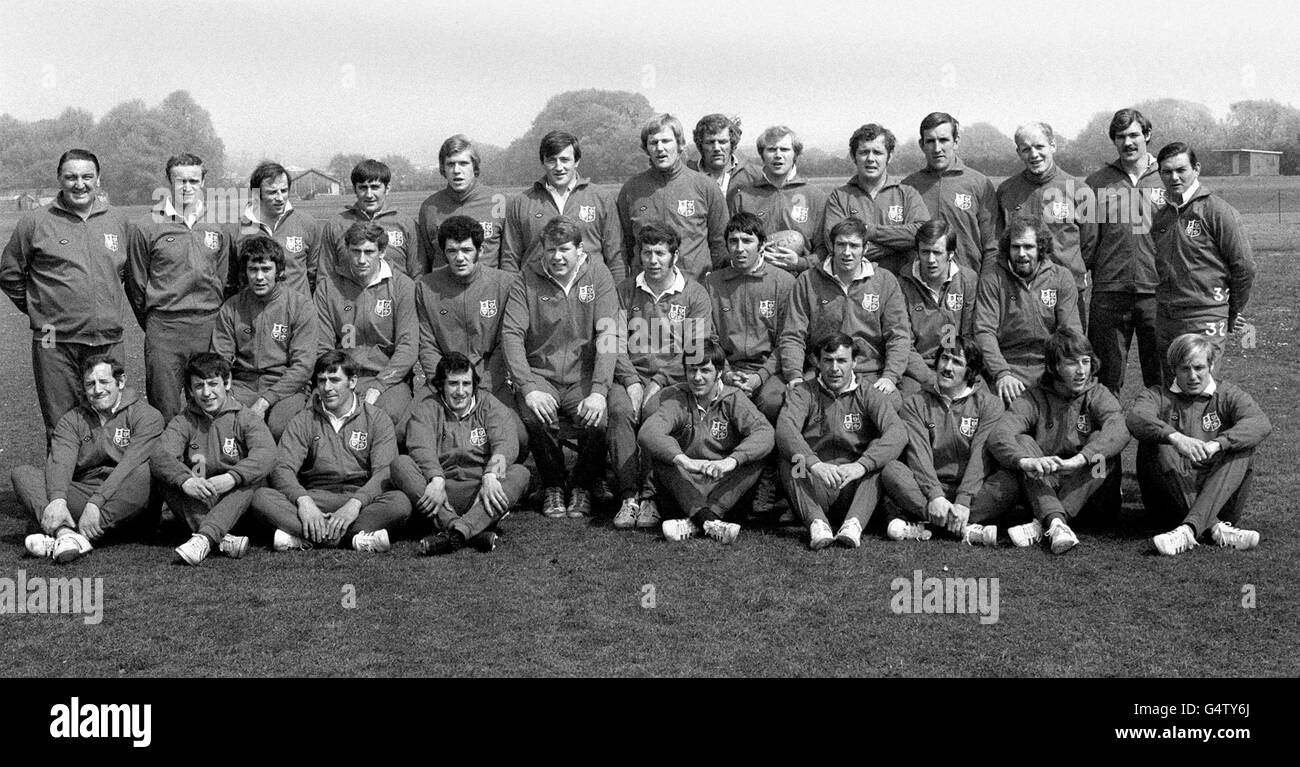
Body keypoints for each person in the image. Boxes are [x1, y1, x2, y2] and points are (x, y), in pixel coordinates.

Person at [500, 216, 637, 519]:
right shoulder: (527, 278)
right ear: (542, 250)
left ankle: (583, 485)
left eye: (564, 249)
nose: (557, 257)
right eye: (550, 250)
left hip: (584, 375)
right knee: (534, 415)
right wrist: (529, 387)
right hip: (541, 375)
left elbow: (608, 333)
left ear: (580, 249)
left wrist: (600, 390)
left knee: (596, 419)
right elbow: (512, 334)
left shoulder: (598, 274)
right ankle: (553, 484)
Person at [1, 149, 133, 440]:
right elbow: (9, 274)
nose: (79, 184)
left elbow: (128, 275)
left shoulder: (118, 221)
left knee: (109, 420)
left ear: (98, 179)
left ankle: (107, 485)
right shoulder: (35, 221)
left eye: (87, 177)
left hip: (107, 340)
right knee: (62, 424)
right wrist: (40, 308)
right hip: (54, 341)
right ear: (59, 179)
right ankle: (63, 486)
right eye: (71, 177)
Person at [987, 329, 1129, 555]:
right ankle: (1055, 524)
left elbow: (1119, 429)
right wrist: (1025, 462)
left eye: (1086, 362)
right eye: (1072, 363)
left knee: (1103, 451)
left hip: (1092, 493)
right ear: (1054, 367)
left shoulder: (1098, 393)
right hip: (1048, 484)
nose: (1082, 371)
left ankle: (1047, 520)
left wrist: (1080, 459)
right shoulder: (1034, 396)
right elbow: (1000, 434)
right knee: (1022, 442)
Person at [251, 351, 410, 552]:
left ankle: (305, 537)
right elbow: (282, 468)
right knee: (261, 497)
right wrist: (305, 503)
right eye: (321, 381)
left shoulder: (377, 419)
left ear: (352, 382)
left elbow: (384, 472)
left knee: (400, 503)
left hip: (358, 499)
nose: (327, 388)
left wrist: (354, 505)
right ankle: (353, 540)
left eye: (334, 380)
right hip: (316, 498)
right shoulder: (304, 419)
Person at [1127, 334, 1271, 555]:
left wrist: (1218, 444)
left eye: (1199, 367)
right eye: (1185, 369)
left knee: (1243, 448)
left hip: (1221, 499)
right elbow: (1136, 418)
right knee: (1155, 441)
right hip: (1168, 504)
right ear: (1173, 369)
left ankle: (1188, 529)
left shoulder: (1227, 394)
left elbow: (1259, 423)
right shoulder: (1157, 395)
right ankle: (1214, 528)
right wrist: (1175, 438)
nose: (1193, 376)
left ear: (1211, 366)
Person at [15, 355, 163, 563]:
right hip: (85, 495)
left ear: (120, 382)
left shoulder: (146, 415)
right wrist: (58, 500)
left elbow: (129, 466)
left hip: (126, 500)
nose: (97, 390)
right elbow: (60, 462)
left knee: (148, 471)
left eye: (104, 382)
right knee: (23, 475)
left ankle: (72, 535)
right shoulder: (73, 419)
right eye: (90, 384)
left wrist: (96, 503)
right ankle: (66, 535)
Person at [613, 223, 714, 528]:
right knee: (619, 412)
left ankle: (651, 497)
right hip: (629, 375)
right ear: (638, 255)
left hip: (674, 380)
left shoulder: (694, 293)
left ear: (675, 255)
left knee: (653, 412)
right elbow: (611, 343)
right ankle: (628, 498)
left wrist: (659, 381)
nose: (653, 260)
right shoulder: (624, 290)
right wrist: (631, 381)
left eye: (660, 253)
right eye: (647, 253)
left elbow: (695, 349)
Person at [126, 152, 236, 421]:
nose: (187, 187)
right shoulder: (145, 226)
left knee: (208, 402)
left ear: (203, 182)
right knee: (165, 407)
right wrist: (157, 319)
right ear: (168, 181)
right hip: (165, 329)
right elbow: (136, 283)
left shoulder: (218, 225)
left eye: (193, 181)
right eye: (180, 181)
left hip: (208, 326)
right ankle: (167, 461)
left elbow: (224, 279)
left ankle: (206, 462)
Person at [391, 353, 531, 555]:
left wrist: (492, 474)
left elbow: (506, 443)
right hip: (440, 494)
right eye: (453, 384)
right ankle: (468, 528)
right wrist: (436, 478)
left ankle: (456, 534)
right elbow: (421, 448)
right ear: (441, 385)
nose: (460, 391)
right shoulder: (426, 409)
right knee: (400, 464)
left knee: (520, 473)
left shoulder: (489, 404)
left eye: (466, 384)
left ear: (473, 385)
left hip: (481, 492)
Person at [776, 333, 906, 549]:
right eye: (828, 360)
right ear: (818, 362)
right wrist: (814, 464)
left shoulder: (869, 393)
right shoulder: (804, 392)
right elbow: (785, 431)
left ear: (854, 362)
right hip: (816, 483)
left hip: (854, 485)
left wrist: (860, 466)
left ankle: (853, 525)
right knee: (791, 460)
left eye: (842, 361)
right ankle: (817, 524)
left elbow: (897, 432)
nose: (834, 368)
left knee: (878, 454)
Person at [638, 339, 774, 544]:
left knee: (755, 459)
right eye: (692, 370)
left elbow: (765, 433)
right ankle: (711, 522)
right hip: (687, 485)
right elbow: (648, 432)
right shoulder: (677, 397)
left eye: (705, 371)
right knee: (664, 458)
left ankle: (697, 522)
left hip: (722, 485)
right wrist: (685, 461)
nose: (697, 378)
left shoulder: (734, 398)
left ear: (719, 372)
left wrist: (730, 462)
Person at [881, 336, 1009, 545]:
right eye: (944, 359)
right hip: (929, 488)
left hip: (973, 490)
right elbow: (918, 453)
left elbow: (980, 455)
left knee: (1009, 482)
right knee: (892, 471)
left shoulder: (990, 404)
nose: (948, 367)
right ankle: (964, 528)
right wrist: (936, 496)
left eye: (957, 362)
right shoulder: (914, 403)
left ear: (970, 372)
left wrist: (964, 500)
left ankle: (932, 525)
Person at [151, 353, 276, 565]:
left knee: (252, 480)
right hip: (201, 498)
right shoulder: (184, 420)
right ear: (190, 390)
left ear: (226, 383)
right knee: (167, 479)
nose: (207, 393)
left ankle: (205, 538)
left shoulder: (244, 417)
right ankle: (221, 539)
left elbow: (267, 453)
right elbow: (161, 455)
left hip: (236, 503)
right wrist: (186, 481)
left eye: (212, 384)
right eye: (199, 386)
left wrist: (233, 477)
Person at [1151, 142, 1256, 382]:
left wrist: (1232, 309)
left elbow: (1245, 267)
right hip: (1168, 317)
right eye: (1167, 172)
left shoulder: (1217, 211)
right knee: (1172, 389)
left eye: (1181, 170)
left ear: (1196, 169)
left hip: (1205, 316)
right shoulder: (1162, 216)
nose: (1174, 177)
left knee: (1200, 389)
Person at [778, 218, 911, 404]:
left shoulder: (885, 281)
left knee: (891, 402)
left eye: (854, 246)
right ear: (832, 247)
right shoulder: (807, 280)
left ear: (865, 249)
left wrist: (890, 376)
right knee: (781, 401)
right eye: (841, 245)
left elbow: (898, 336)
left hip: (869, 371)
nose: (847, 252)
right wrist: (794, 375)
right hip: (822, 370)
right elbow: (793, 335)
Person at [414, 214, 521, 441]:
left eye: (466, 250)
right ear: (443, 253)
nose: (460, 258)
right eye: (452, 251)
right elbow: (427, 343)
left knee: (518, 437)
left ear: (480, 252)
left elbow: (506, 341)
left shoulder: (505, 284)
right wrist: (445, 382)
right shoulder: (426, 287)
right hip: (443, 381)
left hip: (491, 381)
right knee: (406, 431)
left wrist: (482, 383)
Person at [1084, 109, 1164, 393]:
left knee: (1161, 379)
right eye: (1121, 137)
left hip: (1157, 293)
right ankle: (1106, 437)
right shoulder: (1095, 184)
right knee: (1105, 381)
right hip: (1109, 294)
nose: (1128, 142)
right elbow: (1086, 240)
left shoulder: (1168, 178)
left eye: (1134, 135)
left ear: (1147, 136)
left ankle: (1158, 437)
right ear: (1114, 142)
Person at [314, 222, 417, 439]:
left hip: (387, 377)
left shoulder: (402, 286)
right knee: (317, 421)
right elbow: (322, 345)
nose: (362, 260)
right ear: (347, 249)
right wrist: (337, 381)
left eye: (369, 252)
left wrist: (380, 385)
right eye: (356, 252)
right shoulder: (327, 287)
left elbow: (408, 346)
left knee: (388, 418)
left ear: (382, 251)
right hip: (342, 375)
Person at [210, 236, 316, 440]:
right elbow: (220, 359)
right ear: (245, 273)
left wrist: (266, 400)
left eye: (266, 269)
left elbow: (303, 366)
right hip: (242, 384)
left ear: (279, 272)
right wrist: (225, 391)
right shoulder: (232, 306)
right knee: (224, 424)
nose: (259, 277)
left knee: (279, 426)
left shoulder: (300, 306)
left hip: (284, 386)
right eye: (253, 269)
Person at [995, 122, 1096, 328]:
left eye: (1039, 146)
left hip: (1066, 292)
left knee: (1069, 353)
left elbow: (1090, 244)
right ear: (1019, 152)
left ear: (1053, 146)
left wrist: (1069, 272)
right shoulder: (1007, 191)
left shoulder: (1079, 190)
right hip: (1020, 290)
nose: (1034, 154)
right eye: (1026, 149)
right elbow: (1001, 241)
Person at [973, 219, 1081, 405]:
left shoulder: (1061, 277)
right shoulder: (993, 277)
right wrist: (1001, 373)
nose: (1021, 254)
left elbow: (1070, 333)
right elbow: (984, 331)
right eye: (1016, 247)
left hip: (1048, 368)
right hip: (1007, 366)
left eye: (1028, 247)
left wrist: (1059, 373)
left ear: (1041, 248)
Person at [704, 212, 795, 423]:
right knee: (723, 400)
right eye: (733, 241)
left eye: (747, 241)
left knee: (771, 401)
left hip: (768, 369)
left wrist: (760, 376)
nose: (740, 248)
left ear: (762, 245)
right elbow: (709, 337)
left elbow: (788, 340)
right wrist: (725, 373)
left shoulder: (783, 282)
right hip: (726, 369)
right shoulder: (712, 284)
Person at [617, 114, 728, 281]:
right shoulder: (631, 189)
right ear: (646, 148)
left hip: (695, 289)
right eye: (653, 143)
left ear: (680, 144)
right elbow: (625, 245)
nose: (660, 148)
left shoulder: (706, 186)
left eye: (666, 141)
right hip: (645, 292)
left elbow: (720, 245)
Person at [501, 130, 625, 280]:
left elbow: (616, 256)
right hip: (536, 294)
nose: (559, 167)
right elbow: (510, 259)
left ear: (576, 161)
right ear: (543, 162)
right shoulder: (522, 202)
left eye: (565, 160)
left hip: (590, 293)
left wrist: (616, 297)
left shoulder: (601, 198)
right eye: (552, 160)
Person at [822, 123, 930, 276]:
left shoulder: (907, 194)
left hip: (901, 285)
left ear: (889, 156)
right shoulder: (839, 197)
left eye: (877, 152)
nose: (870, 159)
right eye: (864, 152)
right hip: (855, 288)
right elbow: (836, 247)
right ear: (853, 156)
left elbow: (922, 236)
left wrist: (869, 231)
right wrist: (901, 245)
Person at [902, 112, 998, 273]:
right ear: (921, 144)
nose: (937, 148)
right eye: (930, 141)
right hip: (919, 285)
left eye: (944, 140)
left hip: (967, 284)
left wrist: (986, 286)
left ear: (956, 141)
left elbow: (992, 245)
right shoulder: (908, 187)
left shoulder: (979, 183)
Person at [725, 125, 828, 273]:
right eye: (771, 149)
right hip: (757, 280)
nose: (778, 155)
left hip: (803, 281)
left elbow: (824, 249)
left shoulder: (816, 197)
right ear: (762, 154)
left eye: (785, 149)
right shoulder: (743, 198)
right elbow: (731, 244)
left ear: (795, 154)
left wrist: (802, 262)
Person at [899, 220, 978, 393]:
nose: (931, 260)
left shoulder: (967, 281)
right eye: (925, 252)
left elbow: (968, 336)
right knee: (910, 404)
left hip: (957, 364)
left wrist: (956, 372)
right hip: (919, 369)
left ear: (951, 253)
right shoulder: (903, 283)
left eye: (937, 252)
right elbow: (904, 343)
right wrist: (930, 377)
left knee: (982, 402)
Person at [324, 158, 422, 279]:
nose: (369, 195)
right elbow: (325, 275)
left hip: (395, 296)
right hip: (349, 297)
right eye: (363, 188)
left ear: (387, 188)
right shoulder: (336, 224)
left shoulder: (406, 224)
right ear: (355, 189)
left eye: (375, 187)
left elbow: (418, 273)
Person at [418, 135, 505, 270]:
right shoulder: (430, 207)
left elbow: (509, 256)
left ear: (474, 166)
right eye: (450, 164)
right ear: (443, 169)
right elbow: (427, 258)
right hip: (443, 288)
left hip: (488, 286)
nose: (457, 171)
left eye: (463, 163)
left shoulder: (499, 201)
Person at [239, 161, 321, 295]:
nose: (280, 198)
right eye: (272, 192)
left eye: (283, 191)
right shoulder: (237, 230)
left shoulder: (307, 224)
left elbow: (315, 275)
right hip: (254, 313)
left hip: (296, 312)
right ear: (256, 194)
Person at [687, 113, 761, 197]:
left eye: (722, 142)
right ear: (700, 145)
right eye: (710, 142)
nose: (716, 148)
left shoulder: (753, 176)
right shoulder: (686, 175)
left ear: (732, 143)